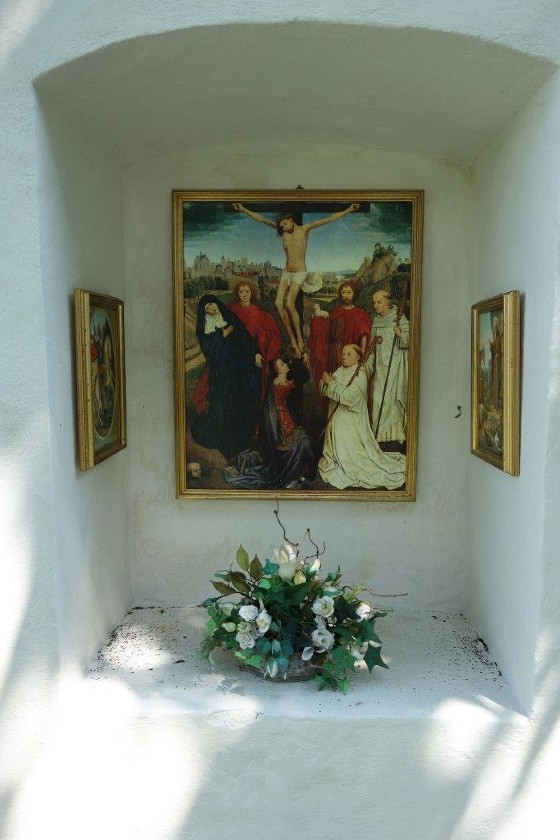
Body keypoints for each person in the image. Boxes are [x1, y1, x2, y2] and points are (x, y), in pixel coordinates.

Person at [232, 202, 360, 358]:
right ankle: (293, 340)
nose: (283, 228)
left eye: (285, 224)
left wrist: (349, 210)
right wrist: (243, 209)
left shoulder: (305, 229)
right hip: (287, 272)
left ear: (291, 219)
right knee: (278, 303)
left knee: (289, 304)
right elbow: (261, 219)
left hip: (299, 272)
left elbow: (329, 219)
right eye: (281, 226)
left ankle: (299, 339)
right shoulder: (284, 233)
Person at [318, 344, 406, 490]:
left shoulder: (360, 374)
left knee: (353, 458)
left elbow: (349, 397)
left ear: (358, 357)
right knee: (337, 455)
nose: (344, 357)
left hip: (351, 425)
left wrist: (330, 383)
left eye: (349, 354)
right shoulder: (339, 371)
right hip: (337, 422)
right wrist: (324, 384)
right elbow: (328, 392)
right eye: (343, 354)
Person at [224, 357, 316, 490]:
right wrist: (297, 360)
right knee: (302, 441)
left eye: (284, 363)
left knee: (302, 440)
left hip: (284, 418)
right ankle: (293, 472)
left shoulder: (278, 381)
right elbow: (304, 376)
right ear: (277, 370)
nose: (285, 364)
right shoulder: (281, 383)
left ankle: (298, 471)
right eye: (282, 364)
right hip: (280, 423)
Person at [191, 295, 261, 461]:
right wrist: (223, 334)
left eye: (213, 305)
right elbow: (211, 351)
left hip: (240, 370)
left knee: (242, 402)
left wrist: (255, 352)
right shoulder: (204, 328)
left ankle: (243, 441)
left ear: (217, 304)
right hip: (221, 375)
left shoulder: (229, 317)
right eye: (207, 308)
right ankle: (230, 447)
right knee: (225, 407)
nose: (212, 309)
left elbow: (244, 335)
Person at [363, 289, 409, 444]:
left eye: (379, 302)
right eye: (374, 302)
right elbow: (372, 349)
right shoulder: (376, 321)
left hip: (396, 368)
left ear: (388, 302)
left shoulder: (399, 318)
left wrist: (401, 334)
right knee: (377, 400)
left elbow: (411, 341)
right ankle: (379, 437)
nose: (375, 305)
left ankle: (395, 436)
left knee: (393, 401)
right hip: (380, 369)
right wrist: (367, 365)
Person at [228, 280, 283, 403]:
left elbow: (262, 336)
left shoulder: (256, 312)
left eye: (247, 291)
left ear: (252, 293)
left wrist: (256, 351)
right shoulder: (231, 309)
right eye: (241, 291)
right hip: (233, 350)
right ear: (237, 293)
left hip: (252, 353)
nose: (244, 294)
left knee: (250, 385)